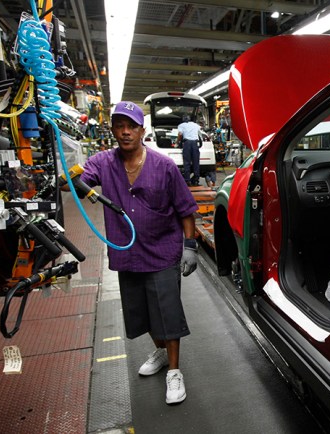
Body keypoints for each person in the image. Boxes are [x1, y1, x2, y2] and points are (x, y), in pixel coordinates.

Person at [78, 101, 199, 405]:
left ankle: (174, 371)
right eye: (119, 125)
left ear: (142, 131)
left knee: (167, 313)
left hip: (162, 251)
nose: (125, 131)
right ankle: (159, 352)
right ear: (113, 130)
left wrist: (189, 246)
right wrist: (73, 175)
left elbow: (185, 209)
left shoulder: (164, 166)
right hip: (127, 253)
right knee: (141, 313)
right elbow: (78, 181)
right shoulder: (103, 162)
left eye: (131, 126)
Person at [177, 115, 201, 186]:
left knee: (187, 162)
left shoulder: (181, 125)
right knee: (196, 162)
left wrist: (177, 142)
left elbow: (180, 134)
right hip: (195, 144)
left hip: (187, 143)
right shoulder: (196, 125)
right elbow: (199, 133)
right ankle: (196, 180)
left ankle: (187, 180)